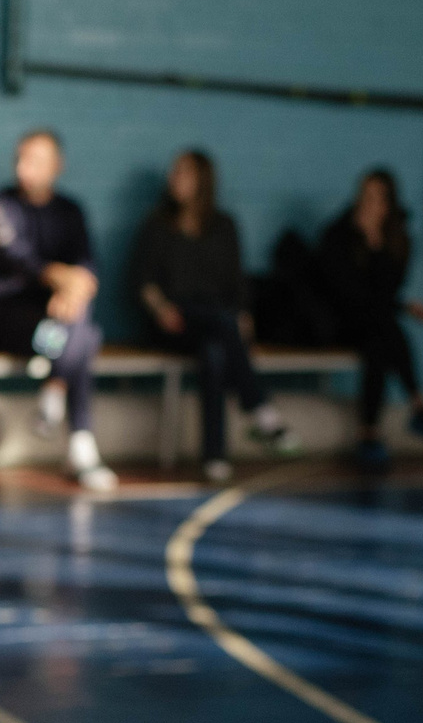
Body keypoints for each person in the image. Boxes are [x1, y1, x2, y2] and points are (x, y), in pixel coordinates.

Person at [128, 147, 299, 481]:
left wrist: (244, 327)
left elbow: (237, 286)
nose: (174, 178)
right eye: (173, 171)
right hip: (171, 323)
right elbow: (141, 279)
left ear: (202, 180)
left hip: (215, 324)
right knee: (220, 325)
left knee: (215, 352)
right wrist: (161, 308)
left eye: (183, 172)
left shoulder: (224, 226)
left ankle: (215, 455)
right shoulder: (156, 225)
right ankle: (260, 410)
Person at [0, 128, 116, 492]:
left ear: (57, 166)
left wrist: (75, 285)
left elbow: (88, 265)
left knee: (78, 327)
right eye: (19, 159)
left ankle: (59, 399)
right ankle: (77, 439)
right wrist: (61, 278)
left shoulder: (70, 211)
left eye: (34, 160)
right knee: (86, 337)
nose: (24, 168)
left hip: (56, 325)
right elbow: (19, 259)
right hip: (8, 320)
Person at [317, 166, 423, 473]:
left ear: (389, 204)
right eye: (365, 197)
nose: (369, 205)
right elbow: (344, 294)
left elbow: (382, 293)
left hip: (373, 324)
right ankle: (419, 403)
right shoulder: (337, 235)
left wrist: (376, 245)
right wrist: (401, 307)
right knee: (384, 328)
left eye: (378, 199)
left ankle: (370, 433)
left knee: (378, 343)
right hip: (334, 321)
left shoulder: (397, 240)